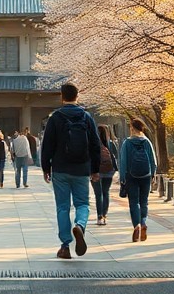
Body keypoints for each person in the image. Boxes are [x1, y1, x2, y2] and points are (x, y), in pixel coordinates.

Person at [39, 82, 101, 259]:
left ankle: (65, 246)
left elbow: (47, 145)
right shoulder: (86, 117)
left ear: (61, 96)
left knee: (62, 207)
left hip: (60, 169)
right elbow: (95, 145)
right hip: (81, 169)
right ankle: (80, 225)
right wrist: (95, 169)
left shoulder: (55, 118)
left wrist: (46, 168)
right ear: (77, 96)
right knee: (83, 204)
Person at [118, 117, 158, 242]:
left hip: (131, 176)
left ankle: (137, 225)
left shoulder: (127, 143)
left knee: (134, 202)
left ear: (131, 128)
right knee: (144, 202)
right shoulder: (147, 142)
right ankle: (143, 222)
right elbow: (153, 160)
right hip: (146, 175)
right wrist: (153, 174)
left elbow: (123, 161)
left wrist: (122, 178)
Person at [92, 124, 119, 225]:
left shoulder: (93, 143)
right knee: (105, 192)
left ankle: (99, 216)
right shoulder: (111, 143)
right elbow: (115, 156)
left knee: (98, 194)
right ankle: (104, 215)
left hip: (96, 171)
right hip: (108, 171)